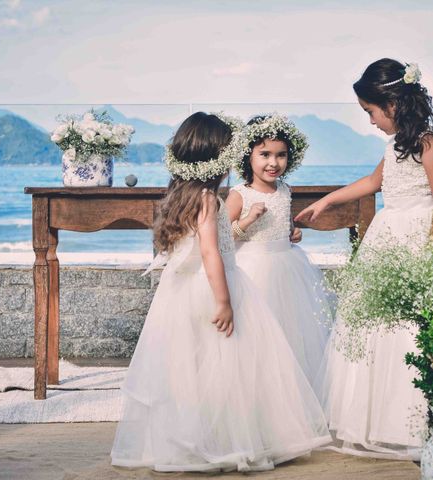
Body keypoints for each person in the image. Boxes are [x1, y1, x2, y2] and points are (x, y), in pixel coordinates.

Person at [111, 112, 330, 473]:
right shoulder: (210, 200)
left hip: (187, 290)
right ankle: (228, 438)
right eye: (230, 150)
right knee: (231, 368)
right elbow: (211, 252)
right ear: (215, 156)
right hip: (216, 288)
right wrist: (225, 301)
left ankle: (201, 435)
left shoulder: (186, 195)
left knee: (197, 370)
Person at [296, 59, 433, 460]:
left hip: (414, 238)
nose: (369, 121)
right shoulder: (394, 144)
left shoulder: (428, 143)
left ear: (394, 103)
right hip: (386, 236)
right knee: (373, 325)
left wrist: (431, 258)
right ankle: (372, 419)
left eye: (370, 112)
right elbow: (373, 182)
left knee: (406, 328)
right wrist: (326, 201)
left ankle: (410, 421)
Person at [225, 114, 333, 386]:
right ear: (247, 155)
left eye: (281, 155)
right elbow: (221, 236)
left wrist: (292, 233)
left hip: (287, 267)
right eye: (264, 154)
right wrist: (248, 219)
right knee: (258, 331)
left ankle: (287, 387)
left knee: (290, 331)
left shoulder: (285, 190)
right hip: (253, 269)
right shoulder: (240, 194)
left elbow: (282, 226)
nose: (273, 163)